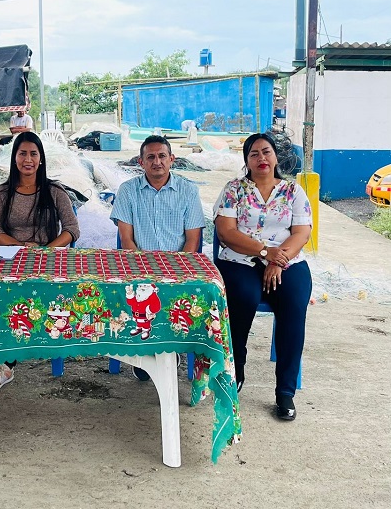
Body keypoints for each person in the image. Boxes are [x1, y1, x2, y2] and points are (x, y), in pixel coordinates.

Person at [214, 132, 312, 422]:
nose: (261, 158)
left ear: (276, 157)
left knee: (293, 304)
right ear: (247, 160)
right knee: (243, 297)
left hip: (287, 261)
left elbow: (302, 232)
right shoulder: (234, 189)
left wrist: (279, 260)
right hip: (240, 260)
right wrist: (265, 252)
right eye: (254, 153)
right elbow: (226, 232)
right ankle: (236, 368)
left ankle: (285, 391)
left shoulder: (293, 191)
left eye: (266, 152)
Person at [0, 131, 80, 391]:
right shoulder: (1, 192)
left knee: (29, 293)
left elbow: (72, 229)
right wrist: (20, 247)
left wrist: (45, 250)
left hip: (47, 261)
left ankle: (7, 362)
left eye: (33, 154)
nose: (28, 159)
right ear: (14, 158)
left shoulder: (55, 191)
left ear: (41, 158)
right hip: (11, 259)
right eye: (22, 153)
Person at [110, 134, 205, 379]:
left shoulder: (188, 191)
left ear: (172, 159)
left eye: (162, 156)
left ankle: (171, 348)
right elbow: (126, 240)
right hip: (138, 266)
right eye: (150, 157)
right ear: (141, 162)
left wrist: (174, 272)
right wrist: (144, 271)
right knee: (135, 294)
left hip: (179, 267)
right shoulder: (128, 191)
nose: (157, 162)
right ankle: (144, 350)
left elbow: (193, 240)